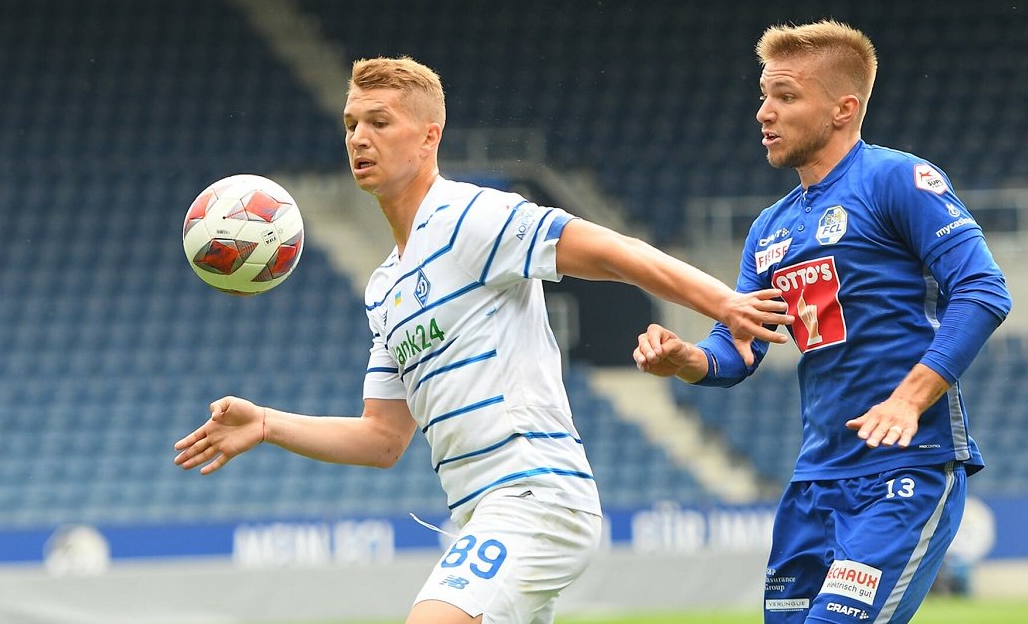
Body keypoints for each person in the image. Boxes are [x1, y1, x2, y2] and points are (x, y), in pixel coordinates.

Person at [175, 56, 792, 624]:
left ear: (429, 137)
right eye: (351, 124)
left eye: (379, 122)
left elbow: (613, 251)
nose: (359, 138)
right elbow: (382, 439)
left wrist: (724, 303)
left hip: (534, 497)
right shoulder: (385, 286)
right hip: (477, 512)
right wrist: (268, 424)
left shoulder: (472, 216)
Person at [633, 20, 1012, 624]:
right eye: (764, 95)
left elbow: (984, 290)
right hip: (815, 482)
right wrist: (687, 359)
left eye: (785, 96)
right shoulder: (770, 228)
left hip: (904, 468)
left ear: (843, 109)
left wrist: (909, 400)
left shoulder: (896, 179)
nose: (764, 112)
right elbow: (739, 347)